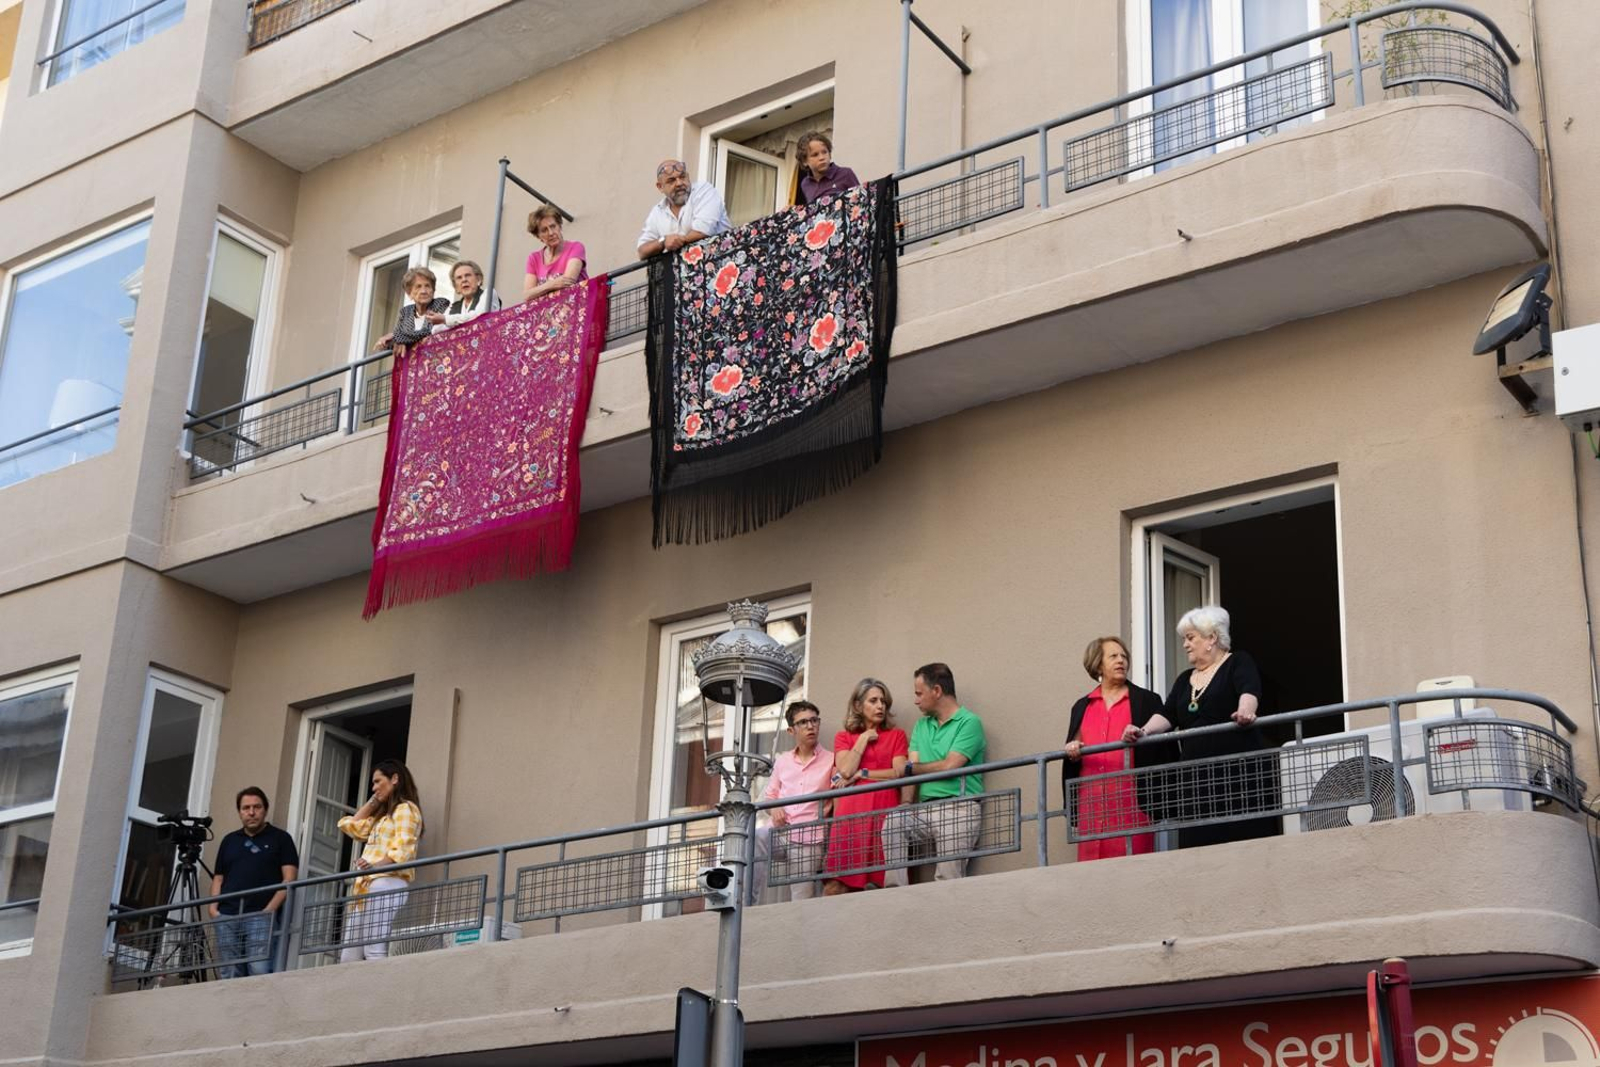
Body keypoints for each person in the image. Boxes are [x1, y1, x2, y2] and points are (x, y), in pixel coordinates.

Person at [1121, 606, 1278, 849]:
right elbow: (1167, 713)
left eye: (1191, 637)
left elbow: (1249, 690)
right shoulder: (1185, 679)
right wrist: (1144, 731)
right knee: (1199, 845)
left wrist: (1246, 709)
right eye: (1184, 639)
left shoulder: (1237, 661)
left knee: (1241, 842)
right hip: (1195, 779)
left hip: (1236, 773)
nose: (1185, 645)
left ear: (1212, 638)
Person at [1062, 636, 1168, 861]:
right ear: (1098, 664)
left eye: (1124, 656)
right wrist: (1072, 749)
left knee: (1136, 869)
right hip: (1091, 806)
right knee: (1092, 876)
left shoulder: (1147, 700)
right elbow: (1074, 745)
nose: (1121, 661)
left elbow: (1164, 748)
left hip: (1134, 804)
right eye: (1113, 656)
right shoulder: (1082, 706)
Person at [882, 663, 987, 886]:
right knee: (894, 821)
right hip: (924, 808)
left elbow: (950, 766)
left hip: (959, 807)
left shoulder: (970, 722)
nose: (915, 700)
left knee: (946, 881)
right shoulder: (922, 725)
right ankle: (892, 893)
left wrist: (912, 769)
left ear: (937, 691)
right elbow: (913, 768)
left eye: (919, 693)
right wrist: (906, 803)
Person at [821, 679, 907, 895]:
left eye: (883, 701)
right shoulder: (844, 737)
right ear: (858, 706)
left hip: (883, 814)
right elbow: (845, 771)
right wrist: (863, 739)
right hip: (851, 818)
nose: (880, 706)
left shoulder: (897, 735)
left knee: (881, 884)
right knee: (838, 884)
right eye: (873, 701)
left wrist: (864, 773)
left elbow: (899, 772)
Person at [336, 759, 423, 962]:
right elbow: (350, 826)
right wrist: (374, 801)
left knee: (374, 950)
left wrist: (374, 866)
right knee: (349, 957)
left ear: (394, 779)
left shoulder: (405, 810)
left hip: (387, 882)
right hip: (367, 887)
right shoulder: (382, 816)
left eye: (377, 782)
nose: (374, 788)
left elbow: (403, 850)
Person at [208, 787, 299, 978]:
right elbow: (218, 878)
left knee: (259, 970)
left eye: (256, 807)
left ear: (265, 810)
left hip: (260, 914)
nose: (251, 812)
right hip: (227, 914)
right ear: (240, 812)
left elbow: (289, 879)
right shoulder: (229, 840)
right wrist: (214, 909)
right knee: (229, 972)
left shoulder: (281, 838)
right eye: (246, 808)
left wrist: (269, 910)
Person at [749, 700, 834, 903]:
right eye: (803, 722)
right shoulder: (783, 761)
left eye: (814, 720)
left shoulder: (832, 759)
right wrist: (775, 807)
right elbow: (770, 796)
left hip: (810, 837)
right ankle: (745, 904)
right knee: (754, 838)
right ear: (791, 730)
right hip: (781, 831)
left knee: (801, 900)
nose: (810, 726)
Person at [636, 159, 732, 259]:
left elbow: (702, 231)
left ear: (688, 177)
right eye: (671, 180)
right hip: (684, 272)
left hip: (720, 264)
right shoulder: (657, 211)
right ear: (660, 187)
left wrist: (674, 242)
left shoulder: (703, 191)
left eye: (682, 177)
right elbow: (642, 251)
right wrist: (663, 241)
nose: (679, 183)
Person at [374, 267, 449, 357]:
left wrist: (396, 337)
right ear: (409, 293)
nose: (423, 291)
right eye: (418, 287)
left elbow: (429, 332)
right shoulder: (405, 312)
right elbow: (397, 340)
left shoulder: (440, 304)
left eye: (427, 286)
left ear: (433, 290)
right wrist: (389, 341)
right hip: (414, 366)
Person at [523, 206, 587, 304]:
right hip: (546, 317)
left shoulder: (575, 247)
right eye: (544, 230)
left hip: (576, 309)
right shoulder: (534, 258)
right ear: (538, 236)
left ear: (560, 226)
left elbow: (568, 281)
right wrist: (553, 284)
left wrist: (539, 290)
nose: (551, 233)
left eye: (553, 226)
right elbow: (527, 295)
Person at [431, 259, 501, 333]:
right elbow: (436, 330)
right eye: (459, 278)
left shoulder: (489, 293)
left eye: (468, 275)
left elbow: (480, 317)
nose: (464, 280)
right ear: (455, 286)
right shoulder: (452, 307)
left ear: (479, 279)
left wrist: (447, 320)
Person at [794, 131, 861, 207]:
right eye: (815, 155)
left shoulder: (846, 174)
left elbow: (860, 202)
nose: (822, 158)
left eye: (825, 152)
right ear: (804, 161)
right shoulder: (805, 184)